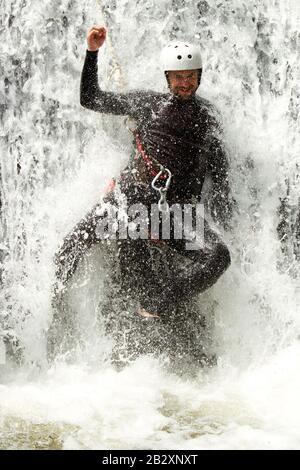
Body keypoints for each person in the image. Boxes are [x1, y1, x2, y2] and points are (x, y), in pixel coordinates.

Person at [48, 26, 234, 359]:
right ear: (167, 78)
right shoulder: (148, 103)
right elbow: (91, 98)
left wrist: (214, 209)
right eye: (177, 77)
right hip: (128, 202)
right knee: (68, 248)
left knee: (218, 256)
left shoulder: (209, 117)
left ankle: (156, 304)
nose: (184, 83)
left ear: (199, 76)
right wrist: (93, 52)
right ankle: (46, 317)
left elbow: (217, 172)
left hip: (172, 213)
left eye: (190, 76)